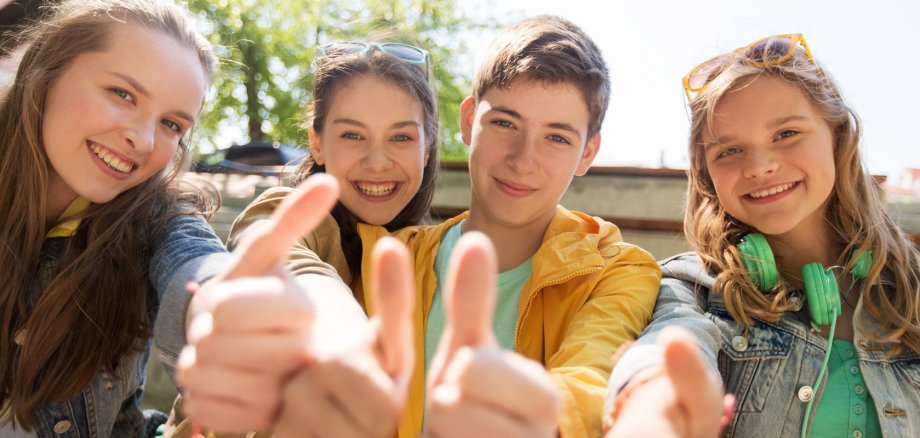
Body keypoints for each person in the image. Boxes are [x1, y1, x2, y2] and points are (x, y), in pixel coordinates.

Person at [348, 15, 662, 437]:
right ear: (467, 120)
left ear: (588, 153)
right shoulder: (388, 258)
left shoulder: (618, 271)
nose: (522, 160)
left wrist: (533, 417)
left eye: (557, 138)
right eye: (505, 123)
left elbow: (592, 374)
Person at [604, 34, 920, 438]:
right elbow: (666, 354)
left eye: (786, 133)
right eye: (729, 151)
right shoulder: (692, 291)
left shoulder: (912, 289)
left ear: (838, 137)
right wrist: (650, 411)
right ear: (707, 176)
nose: (759, 166)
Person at [174, 39, 439, 437]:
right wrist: (345, 346)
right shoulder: (284, 212)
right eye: (353, 135)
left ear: (427, 146)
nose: (378, 161)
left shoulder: (429, 251)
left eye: (401, 137)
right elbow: (289, 264)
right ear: (317, 142)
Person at [0, 0, 229, 436]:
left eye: (171, 125)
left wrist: (231, 309)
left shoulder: (157, 218)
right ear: (49, 71)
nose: (143, 141)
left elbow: (199, 265)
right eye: (123, 94)